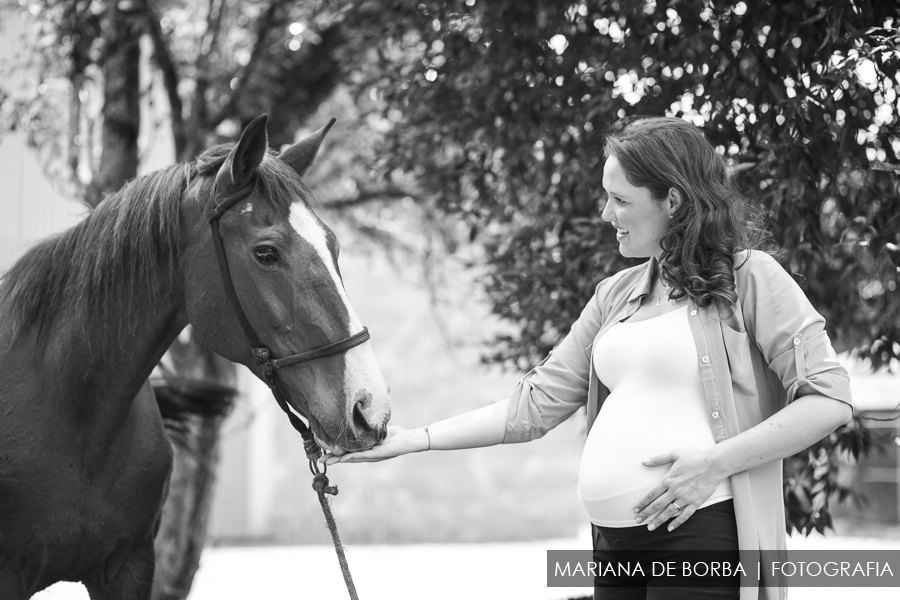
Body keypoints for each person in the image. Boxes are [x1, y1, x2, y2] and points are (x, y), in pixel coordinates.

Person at [324, 117, 853, 600]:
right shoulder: (614, 295)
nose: (606, 214)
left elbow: (828, 400)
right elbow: (533, 407)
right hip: (614, 547)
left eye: (620, 200)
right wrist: (415, 438)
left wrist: (713, 464)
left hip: (700, 531)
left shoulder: (750, 278)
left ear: (673, 200)